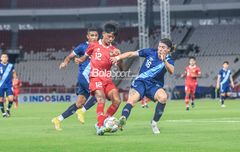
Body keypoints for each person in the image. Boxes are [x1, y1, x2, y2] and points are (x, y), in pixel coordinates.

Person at [111, 38, 175, 134]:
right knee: (131, 101)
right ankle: (122, 119)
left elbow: (171, 71)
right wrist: (117, 57)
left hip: (154, 85)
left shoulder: (169, 60)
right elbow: (131, 54)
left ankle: (154, 123)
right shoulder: (150, 52)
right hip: (140, 82)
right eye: (159, 46)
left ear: (168, 49)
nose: (160, 49)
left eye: (163, 47)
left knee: (163, 97)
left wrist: (164, 61)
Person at [75, 22, 122, 135]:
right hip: (95, 77)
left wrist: (119, 57)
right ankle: (100, 126)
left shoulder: (114, 50)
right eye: (109, 36)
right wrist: (79, 60)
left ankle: (103, 121)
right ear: (103, 34)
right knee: (101, 98)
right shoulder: (94, 45)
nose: (111, 39)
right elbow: (84, 57)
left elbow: (121, 68)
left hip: (107, 79)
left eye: (113, 37)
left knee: (117, 100)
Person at [52, 27, 99, 131]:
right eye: (92, 35)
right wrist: (65, 62)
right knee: (99, 95)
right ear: (87, 36)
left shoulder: (100, 47)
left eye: (96, 35)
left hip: (92, 77)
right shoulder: (82, 47)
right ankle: (83, 112)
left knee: (79, 103)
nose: (94, 37)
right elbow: (69, 56)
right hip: (84, 77)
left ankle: (58, 119)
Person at [0, 53, 16, 117]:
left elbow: (14, 73)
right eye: (3, 57)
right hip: (0, 85)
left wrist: (15, 79)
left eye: (6, 57)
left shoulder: (11, 65)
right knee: (1, 99)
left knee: (11, 98)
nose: (4, 58)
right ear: (1, 58)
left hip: (9, 84)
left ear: (7, 58)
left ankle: (8, 109)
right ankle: (3, 113)